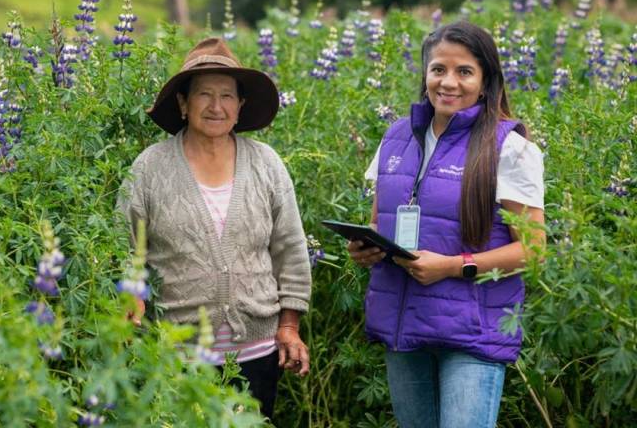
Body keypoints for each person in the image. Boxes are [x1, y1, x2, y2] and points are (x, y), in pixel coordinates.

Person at [348, 21, 545, 428]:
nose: (448, 82)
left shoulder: (510, 147)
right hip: (403, 325)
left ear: (486, 80)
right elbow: (378, 221)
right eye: (438, 69)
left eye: (464, 72)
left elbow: (533, 249)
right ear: (425, 74)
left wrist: (452, 266)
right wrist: (365, 249)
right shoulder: (396, 137)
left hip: (471, 333)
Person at [118, 37, 312, 421]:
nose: (216, 106)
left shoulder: (266, 164)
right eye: (204, 94)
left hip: (256, 352)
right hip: (176, 351)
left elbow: (290, 249)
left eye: (227, 95)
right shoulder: (149, 168)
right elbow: (125, 245)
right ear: (183, 103)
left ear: (240, 106)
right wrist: (131, 299)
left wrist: (289, 325)